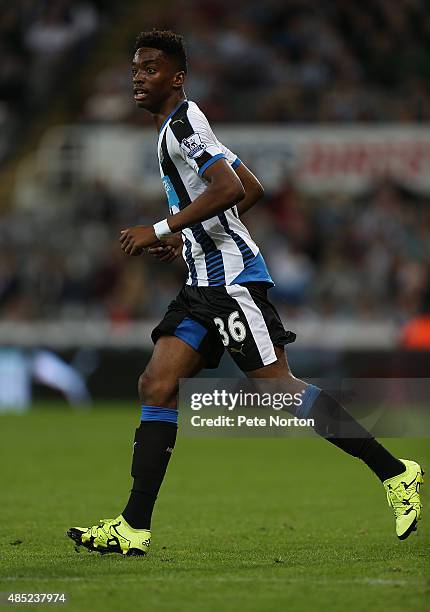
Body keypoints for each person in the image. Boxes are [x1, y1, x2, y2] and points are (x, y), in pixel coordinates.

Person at [67, 30, 423, 556]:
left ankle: (396, 474)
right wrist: (187, 239)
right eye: (135, 68)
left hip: (230, 282)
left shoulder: (184, 122)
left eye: (150, 69)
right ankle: (133, 527)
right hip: (200, 283)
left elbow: (232, 189)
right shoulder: (181, 124)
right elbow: (251, 186)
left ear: (177, 77)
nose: (137, 77)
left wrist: (163, 230)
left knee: (278, 388)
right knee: (156, 384)